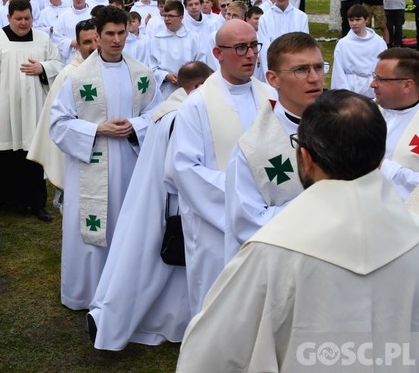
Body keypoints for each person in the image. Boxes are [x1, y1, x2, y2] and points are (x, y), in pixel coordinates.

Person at [176, 90, 419, 373]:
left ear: (305, 158)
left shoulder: (272, 248)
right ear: (380, 160)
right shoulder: (412, 237)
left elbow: (214, 353)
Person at [87, 61, 213, 351]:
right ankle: (115, 321)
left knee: (152, 266)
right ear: (197, 88)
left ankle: (168, 321)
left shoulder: (169, 107)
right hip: (171, 202)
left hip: (152, 196)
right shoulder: (182, 115)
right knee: (153, 268)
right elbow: (180, 168)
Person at [50, 6, 162, 310]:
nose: (116, 40)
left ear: (128, 32)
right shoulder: (76, 78)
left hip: (130, 162)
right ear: (96, 36)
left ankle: (126, 292)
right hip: (91, 165)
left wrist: (136, 126)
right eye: (109, 34)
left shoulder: (142, 73)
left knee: (129, 226)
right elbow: (58, 124)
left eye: (121, 33)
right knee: (91, 230)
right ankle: (86, 293)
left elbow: (158, 114)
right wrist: (96, 129)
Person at [165, 20, 272, 316]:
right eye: (240, 47)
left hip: (267, 217)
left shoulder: (270, 97)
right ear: (218, 53)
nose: (251, 55)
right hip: (215, 222)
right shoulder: (196, 105)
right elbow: (183, 169)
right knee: (216, 301)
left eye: (254, 46)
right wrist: (245, 198)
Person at [224, 32, 325, 261]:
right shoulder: (252, 150)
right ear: (273, 79)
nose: (314, 78)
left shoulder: (343, 128)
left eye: (319, 67)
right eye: (301, 70)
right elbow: (247, 224)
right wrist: (322, 211)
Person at [0, 0, 63, 222]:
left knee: (33, 155)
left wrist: (42, 67)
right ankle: (1, 202)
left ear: (32, 17)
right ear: (8, 18)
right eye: (18, 19)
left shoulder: (43, 39)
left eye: (27, 18)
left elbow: (58, 65)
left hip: (34, 108)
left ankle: (36, 203)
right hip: (3, 109)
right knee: (1, 154)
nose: (23, 23)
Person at [27, 18, 99, 201]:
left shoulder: (111, 69)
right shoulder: (69, 74)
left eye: (96, 40)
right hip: (78, 149)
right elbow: (57, 120)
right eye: (87, 42)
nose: (93, 46)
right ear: (77, 45)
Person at [372, 48, 419, 201]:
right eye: (374, 77)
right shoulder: (366, 112)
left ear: (407, 85)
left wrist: (384, 166)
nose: (373, 84)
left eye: (380, 79)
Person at [256, 0, 310, 79]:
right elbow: (264, 49)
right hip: (273, 69)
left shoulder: (301, 17)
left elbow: (304, 46)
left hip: (295, 69)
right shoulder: (265, 19)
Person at [150, 0, 204, 97]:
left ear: (181, 17)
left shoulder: (193, 37)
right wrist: (166, 76)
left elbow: (201, 63)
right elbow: (151, 66)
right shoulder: (157, 38)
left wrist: (187, 76)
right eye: (165, 15)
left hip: (189, 88)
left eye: (171, 16)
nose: (166, 19)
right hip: (165, 89)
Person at [331, 4, 386, 98]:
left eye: (358, 19)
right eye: (351, 20)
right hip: (350, 89)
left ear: (366, 19)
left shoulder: (378, 42)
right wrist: (343, 95)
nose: (354, 23)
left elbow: (384, 67)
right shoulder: (343, 44)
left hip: (372, 89)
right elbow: (338, 72)